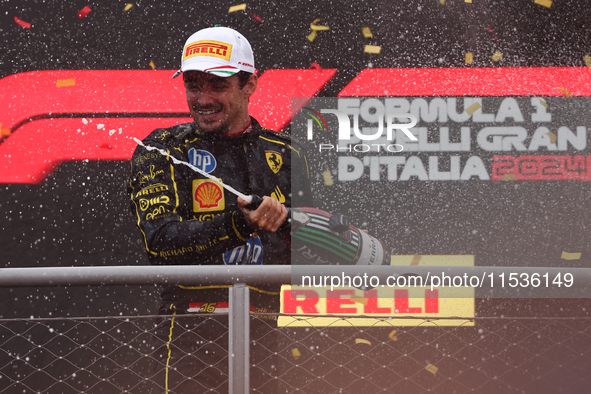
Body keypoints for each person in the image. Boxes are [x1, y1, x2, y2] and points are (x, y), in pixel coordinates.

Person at [128, 26, 314, 393]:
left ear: (250, 85)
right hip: (187, 330)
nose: (203, 98)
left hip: (265, 328)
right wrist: (239, 224)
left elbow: (317, 250)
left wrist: (288, 223)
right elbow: (161, 245)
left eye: (218, 85)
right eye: (193, 84)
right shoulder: (162, 149)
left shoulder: (288, 154)